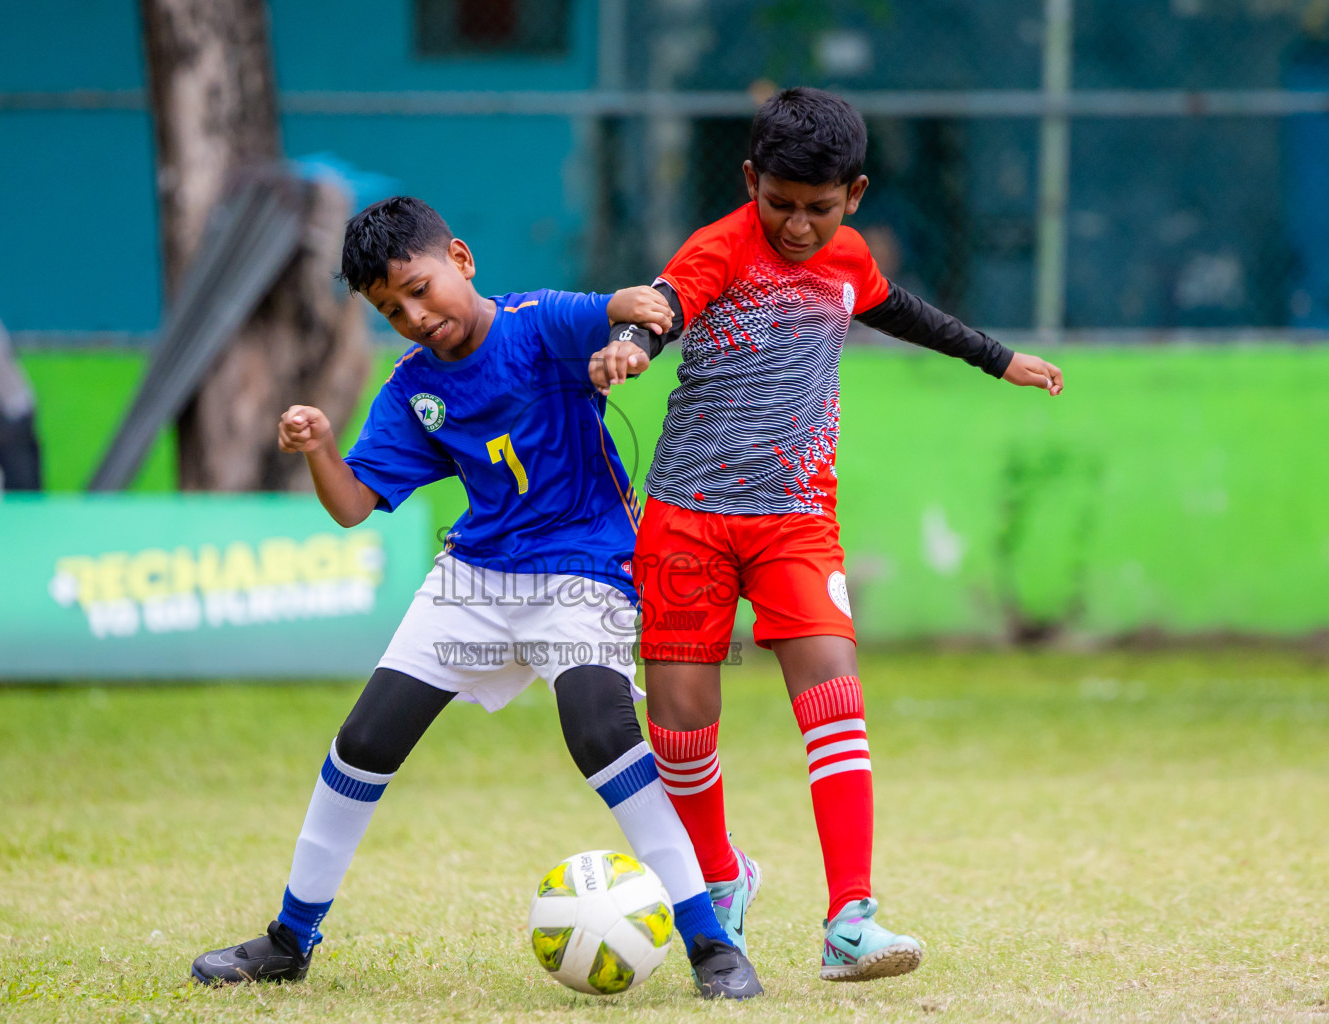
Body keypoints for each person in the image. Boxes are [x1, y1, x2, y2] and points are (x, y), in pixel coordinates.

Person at [190, 196, 761, 1000]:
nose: (416, 316)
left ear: (461, 258)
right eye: (392, 310)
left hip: (582, 568)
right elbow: (354, 505)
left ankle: (712, 943)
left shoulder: (537, 323)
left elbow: (637, 305)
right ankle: (290, 939)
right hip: (476, 578)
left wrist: (628, 344)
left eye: (420, 288)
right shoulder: (414, 388)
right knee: (363, 742)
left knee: (600, 730)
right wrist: (320, 447)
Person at [591, 87, 1065, 982]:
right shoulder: (719, 248)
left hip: (797, 521)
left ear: (855, 194)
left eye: (819, 208)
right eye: (780, 205)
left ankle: (851, 919)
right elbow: (666, 301)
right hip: (687, 520)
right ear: (750, 181)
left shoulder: (847, 259)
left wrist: (1000, 359)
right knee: (683, 722)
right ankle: (719, 880)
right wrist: (634, 348)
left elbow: (904, 312)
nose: (799, 226)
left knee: (834, 695)